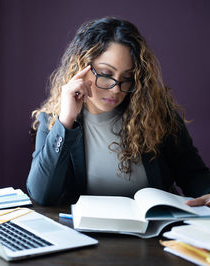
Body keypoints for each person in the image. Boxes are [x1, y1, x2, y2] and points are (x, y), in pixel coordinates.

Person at [26, 17, 210, 207]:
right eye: (106, 75)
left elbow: (194, 174)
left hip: (157, 231)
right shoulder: (53, 120)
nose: (116, 89)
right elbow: (41, 194)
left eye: (127, 78)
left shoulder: (156, 114)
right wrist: (66, 121)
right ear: (81, 66)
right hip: (89, 234)